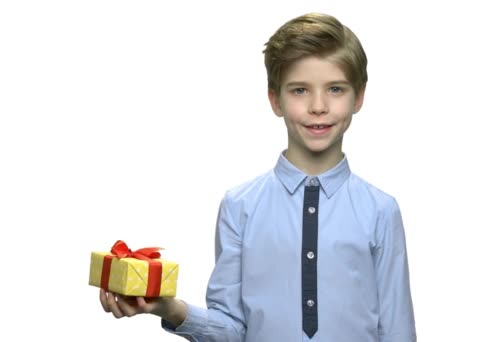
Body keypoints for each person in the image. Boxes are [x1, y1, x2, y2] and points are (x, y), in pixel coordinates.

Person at [99, 12, 416, 341]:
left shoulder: (381, 210)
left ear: (359, 97)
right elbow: (231, 330)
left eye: (335, 89)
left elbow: (398, 330)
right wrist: (169, 309)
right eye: (300, 90)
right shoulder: (241, 206)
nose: (318, 106)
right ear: (275, 99)